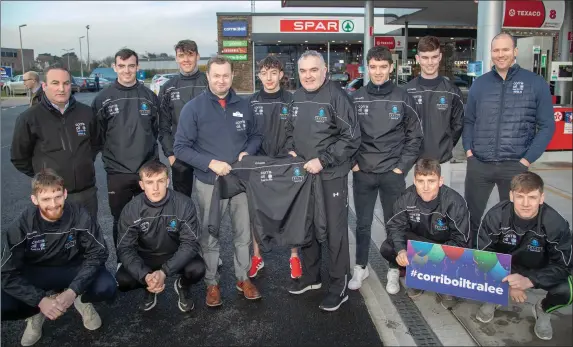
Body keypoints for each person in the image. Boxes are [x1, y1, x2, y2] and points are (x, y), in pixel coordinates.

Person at [174, 55, 263, 307]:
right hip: (209, 183)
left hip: (240, 182)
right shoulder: (194, 108)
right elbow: (180, 147)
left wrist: (249, 151)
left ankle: (243, 278)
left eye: (226, 75)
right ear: (208, 77)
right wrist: (210, 163)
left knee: (243, 233)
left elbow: (256, 135)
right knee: (209, 234)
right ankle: (212, 283)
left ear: (232, 76)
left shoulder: (244, 105)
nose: (221, 80)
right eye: (216, 75)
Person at [1, 169, 116, 347]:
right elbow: (6, 272)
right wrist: (39, 299)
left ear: (65, 194)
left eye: (57, 196)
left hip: (72, 268)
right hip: (37, 272)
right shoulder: (22, 225)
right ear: (35, 200)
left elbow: (98, 252)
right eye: (46, 199)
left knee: (107, 286)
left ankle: (80, 300)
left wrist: (73, 290)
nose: (53, 204)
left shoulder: (79, 215)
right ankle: (36, 312)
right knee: (3, 304)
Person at [285, 50, 361, 312]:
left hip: (331, 175)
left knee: (334, 231)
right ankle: (312, 276)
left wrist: (324, 160)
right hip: (304, 176)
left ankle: (339, 284)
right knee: (307, 227)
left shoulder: (337, 97)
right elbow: (289, 132)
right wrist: (292, 150)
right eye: (303, 71)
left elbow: (351, 136)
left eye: (313, 70)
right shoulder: (295, 98)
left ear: (325, 70)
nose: (308, 75)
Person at [463, 32, 555, 247]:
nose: (500, 54)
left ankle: (509, 264)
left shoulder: (535, 83)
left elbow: (547, 126)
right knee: (471, 218)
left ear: (515, 51)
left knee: (514, 221)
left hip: (515, 165)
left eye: (505, 49)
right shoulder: (480, 84)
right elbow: (469, 121)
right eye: (496, 50)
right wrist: (469, 151)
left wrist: (526, 159)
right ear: (491, 53)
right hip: (480, 164)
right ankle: (470, 263)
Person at [349, 46, 423, 291]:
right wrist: (355, 164)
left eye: (383, 67)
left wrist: (401, 168)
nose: (378, 72)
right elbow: (346, 135)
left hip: (393, 173)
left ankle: (393, 269)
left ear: (391, 67)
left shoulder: (403, 97)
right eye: (373, 67)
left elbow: (415, 136)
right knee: (363, 223)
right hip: (364, 172)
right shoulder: (356, 97)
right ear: (367, 68)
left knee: (395, 223)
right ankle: (360, 267)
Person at [476, 172, 572, 341]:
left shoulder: (555, 224)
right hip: (507, 266)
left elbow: (564, 265)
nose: (526, 204)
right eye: (520, 197)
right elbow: (485, 253)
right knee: (473, 265)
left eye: (532, 197)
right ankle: (494, 296)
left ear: (541, 198)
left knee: (568, 291)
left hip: (540, 268)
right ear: (511, 196)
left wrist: (530, 280)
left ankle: (543, 308)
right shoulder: (496, 216)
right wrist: (511, 281)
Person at [11, 65, 100, 219]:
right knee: (56, 240)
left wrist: (82, 163)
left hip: (86, 194)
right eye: (55, 83)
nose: (61, 88)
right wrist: (44, 175)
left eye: (66, 83)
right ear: (44, 86)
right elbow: (19, 157)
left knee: (89, 238)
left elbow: (96, 143)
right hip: (52, 197)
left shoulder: (86, 113)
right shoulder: (29, 118)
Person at [116, 161, 205, 312]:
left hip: (175, 254)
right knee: (123, 280)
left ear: (168, 181)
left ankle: (182, 285)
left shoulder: (184, 204)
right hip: (146, 257)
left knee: (197, 269)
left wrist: (164, 272)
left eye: (160, 181)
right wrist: (145, 275)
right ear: (142, 185)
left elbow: (190, 244)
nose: (155, 188)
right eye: (149, 182)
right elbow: (124, 248)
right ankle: (149, 287)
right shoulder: (131, 209)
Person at [92, 48, 160, 247]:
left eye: (131, 66)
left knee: (148, 218)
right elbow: (98, 135)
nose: (127, 71)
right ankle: (123, 260)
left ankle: (146, 258)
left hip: (146, 170)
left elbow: (155, 130)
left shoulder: (149, 97)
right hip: (117, 172)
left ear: (137, 67)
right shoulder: (102, 99)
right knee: (120, 219)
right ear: (114, 67)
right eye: (121, 66)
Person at [381, 159, 470, 307]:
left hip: (443, 247)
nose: (426, 187)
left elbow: (462, 240)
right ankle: (418, 275)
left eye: (431, 181)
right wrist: (402, 250)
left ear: (440, 181)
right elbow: (395, 227)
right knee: (388, 248)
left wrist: (433, 256)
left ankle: (440, 280)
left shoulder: (454, 202)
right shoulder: (406, 198)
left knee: (463, 258)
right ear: (414, 181)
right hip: (419, 244)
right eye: (421, 181)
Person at [247, 55, 301, 280]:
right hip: (259, 164)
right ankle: (257, 256)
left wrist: (291, 150)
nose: (268, 78)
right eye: (264, 73)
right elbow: (247, 133)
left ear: (281, 75)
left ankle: (294, 255)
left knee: (292, 209)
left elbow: (297, 130)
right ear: (259, 76)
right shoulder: (251, 102)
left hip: (286, 162)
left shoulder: (292, 100)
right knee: (256, 212)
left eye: (273, 73)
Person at [404, 36, 464, 186]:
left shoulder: (452, 91)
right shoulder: (406, 92)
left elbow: (458, 125)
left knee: (442, 206)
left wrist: (445, 146)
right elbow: (400, 126)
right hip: (412, 163)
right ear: (418, 58)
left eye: (434, 57)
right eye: (425, 58)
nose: (430, 62)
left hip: (441, 163)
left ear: (440, 57)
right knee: (412, 207)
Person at [158, 39, 208, 197]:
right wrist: (170, 155)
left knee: (207, 202)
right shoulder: (168, 88)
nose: (186, 59)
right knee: (181, 201)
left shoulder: (210, 83)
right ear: (176, 58)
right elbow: (163, 124)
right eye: (181, 55)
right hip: (180, 154)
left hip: (207, 152)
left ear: (198, 56)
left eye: (190, 55)